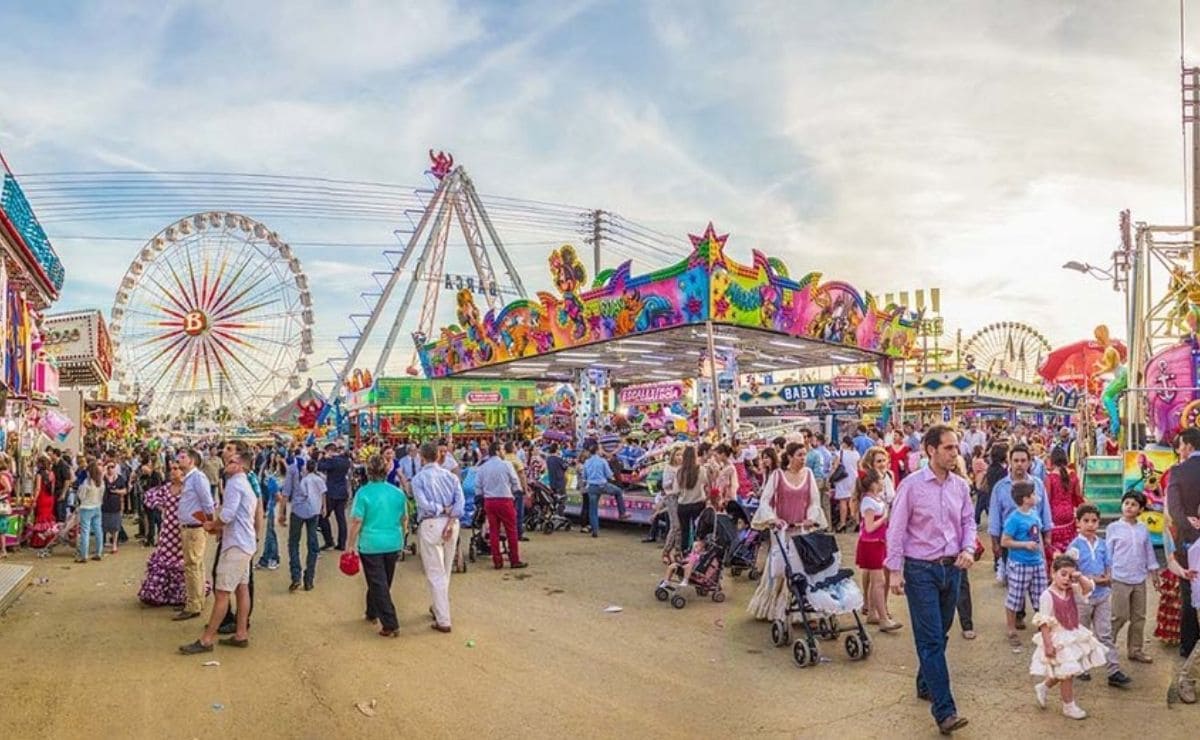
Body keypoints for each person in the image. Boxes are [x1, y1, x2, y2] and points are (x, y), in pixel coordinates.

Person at [885, 425, 975, 736]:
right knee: (932, 639)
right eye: (948, 448)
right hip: (919, 570)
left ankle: (926, 683)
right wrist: (894, 571)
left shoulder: (960, 487)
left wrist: (968, 549)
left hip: (952, 569)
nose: (954, 454)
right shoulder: (910, 487)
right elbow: (895, 529)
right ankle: (945, 711)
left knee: (942, 631)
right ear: (930, 450)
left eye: (956, 447)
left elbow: (968, 521)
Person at [179, 448, 258, 654]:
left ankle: (206, 640)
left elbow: (228, 514)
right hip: (244, 542)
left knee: (222, 592)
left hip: (236, 545)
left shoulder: (234, 484)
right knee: (241, 588)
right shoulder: (245, 484)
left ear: (240, 465)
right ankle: (241, 633)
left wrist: (213, 524)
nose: (227, 463)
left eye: (232, 460)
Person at [748, 442, 824, 621]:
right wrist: (772, 519)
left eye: (804, 454)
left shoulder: (809, 474)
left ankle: (802, 607)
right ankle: (776, 607)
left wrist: (811, 518)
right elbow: (765, 500)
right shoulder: (778, 475)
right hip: (783, 531)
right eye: (799, 455)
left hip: (802, 529)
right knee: (781, 567)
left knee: (802, 566)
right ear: (789, 457)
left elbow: (814, 501)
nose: (803, 458)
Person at [1030, 554, 1108, 720]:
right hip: (1057, 638)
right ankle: (1068, 705)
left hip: (1072, 633)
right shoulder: (1047, 595)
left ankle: (1044, 686)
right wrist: (1048, 645)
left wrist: (1079, 578)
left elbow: (1088, 589)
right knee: (1067, 674)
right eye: (1063, 574)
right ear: (1053, 573)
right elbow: (1044, 623)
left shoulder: (1072, 589)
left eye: (1069, 576)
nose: (1066, 579)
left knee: (1067, 670)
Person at [1067, 503, 1131, 687]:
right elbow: (1069, 572)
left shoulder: (1102, 544)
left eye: (1094, 521)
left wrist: (1108, 577)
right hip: (1082, 598)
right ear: (1078, 523)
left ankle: (1113, 670)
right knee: (1082, 633)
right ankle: (1082, 667)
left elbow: (1108, 565)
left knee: (1105, 634)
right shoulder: (1074, 546)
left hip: (1102, 595)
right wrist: (1095, 579)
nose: (1090, 524)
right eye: (1086, 521)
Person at [347, 454, 409, 637]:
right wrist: (402, 537)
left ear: (368, 471)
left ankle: (390, 623)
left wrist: (349, 544)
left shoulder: (363, 493)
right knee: (383, 581)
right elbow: (404, 518)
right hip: (393, 541)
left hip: (371, 543)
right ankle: (372, 611)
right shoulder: (397, 493)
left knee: (378, 582)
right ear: (387, 470)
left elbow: (357, 521)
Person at [988, 444, 1050, 627]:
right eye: (1016, 460)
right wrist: (995, 543)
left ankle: (1042, 618)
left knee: (1038, 579)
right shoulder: (1001, 487)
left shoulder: (1037, 485)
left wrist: (1047, 536)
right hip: (1010, 542)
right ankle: (1018, 615)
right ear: (1009, 462)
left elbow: (1045, 511)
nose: (1019, 464)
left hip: (1034, 540)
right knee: (1015, 580)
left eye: (1023, 460)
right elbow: (994, 515)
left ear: (1030, 462)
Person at [411, 442, 465, 633]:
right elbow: (460, 504)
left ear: (421, 457)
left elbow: (423, 505)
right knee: (445, 570)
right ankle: (438, 607)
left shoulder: (418, 479)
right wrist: (449, 515)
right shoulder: (450, 476)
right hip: (451, 523)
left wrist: (440, 509)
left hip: (432, 523)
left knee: (435, 572)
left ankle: (443, 618)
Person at [1106, 490, 1159, 664]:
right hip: (1119, 577)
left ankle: (1135, 650)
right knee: (1118, 616)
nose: (1129, 507)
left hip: (1139, 578)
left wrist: (1154, 573)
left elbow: (1149, 552)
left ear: (1140, 509)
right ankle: (1107, 648)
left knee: (1139, 617)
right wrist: (1108, 574)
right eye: (1127, 503)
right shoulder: (1113, 528)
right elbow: (1108, 553)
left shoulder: (1143, 529)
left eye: (1134, 504)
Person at [1001, 482, 1048, 649]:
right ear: (1025, 499)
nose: (1036, 497)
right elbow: (1005, 541)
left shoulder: (1034, 514)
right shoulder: (1014, 518)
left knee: (1041, 597)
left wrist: (1043, 557)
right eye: (1033, 494)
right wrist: (1024, 545)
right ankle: (1011, 629)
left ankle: (1044, 628)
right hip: (1020, 563)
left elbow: (1039, 536)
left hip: (1037, 562)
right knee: (1015, 597)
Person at [1167, 426, 1200, 660]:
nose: (1179, 450)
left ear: (1188, 445)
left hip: (1189, 541)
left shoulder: (1178, 472)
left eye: (1180, 446)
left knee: (1189, 592)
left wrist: (1190, 525)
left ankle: (1189, 646)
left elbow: (1175, 511)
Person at [856, 469, 900, 632]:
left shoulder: (873, 499)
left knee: (878, 581)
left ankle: (875, 614)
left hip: (877, 542)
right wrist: (884, 519)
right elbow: (869, 527)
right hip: (872, 543)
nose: (883, 482)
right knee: (879, 582)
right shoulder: (868, 502)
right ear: (874, 483)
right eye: (881, 480)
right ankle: (883, 618)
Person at [138, 461, 187, 606]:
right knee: (163, 559)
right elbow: (148, 496)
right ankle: (159, 593)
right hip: (167, 531)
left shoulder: (188, 488)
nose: (172, 472)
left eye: (176, 469)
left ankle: (181, 594)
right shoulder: (166, 488)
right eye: (171, 469)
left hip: (183, 531)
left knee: (181, 561)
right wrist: (159, 507)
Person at [174, 449, 214, 621]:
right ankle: (197, 599)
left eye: (183, 457)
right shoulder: (190, 478)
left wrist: (209, 522)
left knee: (192, 566)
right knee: (195, 565)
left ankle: (193, 604)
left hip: (195, 527)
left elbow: (207, 501)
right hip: (190, 526)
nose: (178, 460)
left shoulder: (197, 478)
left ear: (192, 461)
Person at [474, 442, 526, 569]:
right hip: (505, 500)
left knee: (493, 531)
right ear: (497, 451)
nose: (504, 452)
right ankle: (514, 559)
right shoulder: (506, 465)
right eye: (502, 449)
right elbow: (515, 482)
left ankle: (497, 561)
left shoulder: (483, 467)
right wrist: (517, 491)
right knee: (511, 530)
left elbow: (478, 487)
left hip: (489, 501)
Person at [282, 459, 325, 592]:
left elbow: (286, 492)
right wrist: (323, 508)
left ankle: (296, 576)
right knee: (312, 544)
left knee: (294, 543)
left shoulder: (292, 469)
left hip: (297, 511)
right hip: (313, 511)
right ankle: (309, 579)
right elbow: (323, 493)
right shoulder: (318, 477)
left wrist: (282, 512)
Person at [579, 448, 630, 536]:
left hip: (591, 486)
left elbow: (584, 476)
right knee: (618, 491)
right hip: (602, 485)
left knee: (593, 510)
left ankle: (595, 531)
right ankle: (622, 512)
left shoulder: (587, 462)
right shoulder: (602, 461)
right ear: (597, 451)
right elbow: (609, 474)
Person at [1045, 447, 1083, 560]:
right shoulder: (1073, 475)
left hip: (1054, 517)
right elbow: (1078, 497)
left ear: (1052, 460)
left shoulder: (1050, 477)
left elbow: (1047, 499)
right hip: (1069, 516)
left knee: (1055, 549)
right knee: (1070, 547)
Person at [317, 443, 352, 550]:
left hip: (331, 492)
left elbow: (319, 467)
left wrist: (323, 458)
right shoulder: (346, 461)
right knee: (341, 519)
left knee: (323, 517)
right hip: (342, 492)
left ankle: (329, 541)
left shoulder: (331, 461)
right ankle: (342, 544)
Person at [675, 445, 708, 551]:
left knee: (684, 531)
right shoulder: (701, 470)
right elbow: (706, 484)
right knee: (697, 530)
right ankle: (695, 554)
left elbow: (676, 490)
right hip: (698, 503)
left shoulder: (679, 471)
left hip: (683, 504)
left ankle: (683, 552)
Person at [74, 462, 105, 563]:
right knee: (98, 530)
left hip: (86, 507)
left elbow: (81, 496)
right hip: (97, 506)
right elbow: (102, 494)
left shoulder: (86, 483)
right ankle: (99, 552)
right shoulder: (100, 482)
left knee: (85, 532)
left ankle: (84, 555)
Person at [660, 447, 683, 564]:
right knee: (676, 526)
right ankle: (666, 551)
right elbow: (665, 485)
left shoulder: (684, 468)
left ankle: (677, 552)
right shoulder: (668, 468)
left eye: (681, 455)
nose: (679, 457)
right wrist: (674, 479)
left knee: (679, 528)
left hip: (682, 498)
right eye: (677, 455)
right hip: (672, 498)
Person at [503, 441, 530, 542]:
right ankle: (518, 533)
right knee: (518, 512)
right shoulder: (516, 460)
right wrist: (526, 489)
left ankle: (506, 532)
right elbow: (522, 475)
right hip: (516, 488)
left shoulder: (503, 459)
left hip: (505, 489)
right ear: (513, 448)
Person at [833, 436, 860, 532]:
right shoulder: (856, 454)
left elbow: (835, 466)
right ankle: (857, 522)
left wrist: (831, 477)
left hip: (842, 479)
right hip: (854, 478)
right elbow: (859, 467)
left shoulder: (839, 453)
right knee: (854, 500)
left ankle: (843, 523)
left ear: (844, 443)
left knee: (843, 501)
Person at [101, 461, 126, 554]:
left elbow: (125, 490)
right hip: (104, 505)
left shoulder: (119, 478)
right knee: (103, 525)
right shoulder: (102, 478)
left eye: (112, 467)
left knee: (115, 526)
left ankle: (114, 544)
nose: (110, 469)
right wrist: (103, 473)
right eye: (108, 467)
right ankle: (103, 543)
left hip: (115, 505)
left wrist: (116, 491)